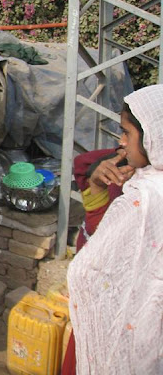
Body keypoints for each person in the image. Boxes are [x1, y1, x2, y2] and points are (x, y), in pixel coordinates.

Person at [66, 84, 163, 374]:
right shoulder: (137, 180)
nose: (120, 142)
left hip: (130, 329)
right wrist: (97, 185)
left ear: (154, 138)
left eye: (127, 133)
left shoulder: (145, 196)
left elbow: (93, 265)